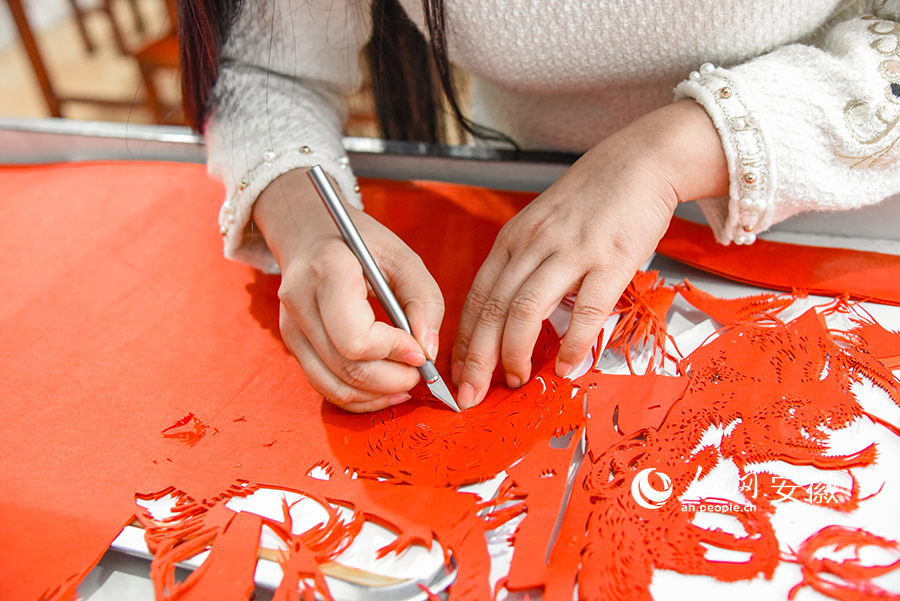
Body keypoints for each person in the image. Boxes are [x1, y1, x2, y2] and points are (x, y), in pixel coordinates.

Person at [178, 0, 900, 412]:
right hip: (521, 207)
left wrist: (672, 154)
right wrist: (306, 225)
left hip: (841, 195)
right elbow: (263, 70)